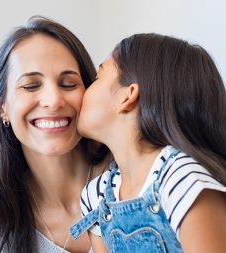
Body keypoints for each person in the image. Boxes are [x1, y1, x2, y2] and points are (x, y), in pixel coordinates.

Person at [0, 16, 109, 253]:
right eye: (31, 86)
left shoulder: (132, 179)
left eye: (69, 84)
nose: (53, 101)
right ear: (2, 107)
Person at [70, 33, 226, 253]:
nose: (85, 90)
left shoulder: (181, 180)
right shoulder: (95, 196)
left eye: (97, 78)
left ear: (127, 96)